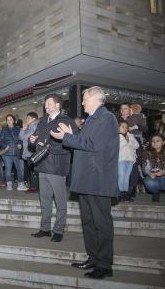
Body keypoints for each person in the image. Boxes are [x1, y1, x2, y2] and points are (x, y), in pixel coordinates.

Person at [51, 86, 119, 279]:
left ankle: (105, 265)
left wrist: (67, 136)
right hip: (87, 179)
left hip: (98, 179)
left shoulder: (106, 118)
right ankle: (93, 258)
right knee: (88, 222)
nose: (82, 103)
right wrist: (69, 135)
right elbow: (83, 142)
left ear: (96, 99)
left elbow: (92, 145)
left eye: (84, 99)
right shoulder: (93, 119)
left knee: (101, 223)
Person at [29, 94, 77, 242]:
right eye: (45, 104)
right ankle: (45, 228)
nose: (46, 106)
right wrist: (32, 141)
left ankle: (59, 230)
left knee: (60, 201)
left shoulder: (66, 121)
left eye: (49, 103)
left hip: (57, 166)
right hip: (42, 165)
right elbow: (35, 144)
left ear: (57, 105)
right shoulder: (42, 121)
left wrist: (48, 148)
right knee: (44, 199)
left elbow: (72, 143)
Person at [0, 114, 27, 191]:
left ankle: (20, 184)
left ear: (14, 121)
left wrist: (20, 144)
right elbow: (0, 140)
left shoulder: (18, 129)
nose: (9, 121)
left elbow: (22, 138)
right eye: (7, 120)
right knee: (8, 169)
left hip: (17, 152)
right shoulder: (4, 130)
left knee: (20, 169)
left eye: (10, 119)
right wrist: (5, 146)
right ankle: (9, 184)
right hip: (7, 153)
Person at [118, 121, 139, 202]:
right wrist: (125, 141)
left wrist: (129, 140)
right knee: (121, 176)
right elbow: (118, 147)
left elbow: (137, 145)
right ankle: (119, 194)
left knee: (126, 177)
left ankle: (126, 194)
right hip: (121, 159)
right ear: (118, 128)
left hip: (130, 159)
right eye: (122, 126)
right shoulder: (117, 137)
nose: (125, 128)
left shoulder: (131, 136)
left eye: (126, 127)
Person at [141, 133, 165, 202]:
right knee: (148, 182)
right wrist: (150, 173)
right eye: (153, 141)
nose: (155, 143)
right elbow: (145, 168)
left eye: (158, 141)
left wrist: (163, 172)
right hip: (154, 177)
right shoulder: (147, 153)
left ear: (163, 142)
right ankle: (155, 192)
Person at [19, 112, 39, 193]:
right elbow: (20, 137)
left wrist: (23, 130)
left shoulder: (34, 125)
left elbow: (24, 137)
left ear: (33, 119)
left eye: (28, 118)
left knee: (33, 170)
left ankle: (34, 187)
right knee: (32, 169)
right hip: (29, 151)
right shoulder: (30, 126)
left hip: (31, 152)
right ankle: (34, 186)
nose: (26, 120)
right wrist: (23, 129)